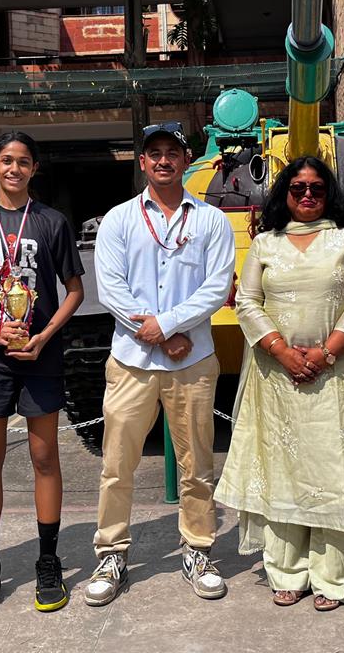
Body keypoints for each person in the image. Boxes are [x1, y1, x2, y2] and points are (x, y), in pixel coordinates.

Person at [214, 156, 344, 612]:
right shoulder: (265, 244)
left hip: (337, 376)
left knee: (336, 473)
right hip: (277, 380)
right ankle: (286, 572)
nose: (308, 195)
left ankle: (332, 577)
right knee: (282, 470)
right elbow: (247, 302)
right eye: (298, 188)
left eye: (317, 188)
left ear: (329, 192)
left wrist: (324, 353)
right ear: (285, 194)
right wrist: (281, 351)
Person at [85, 121, 235, 606]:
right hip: (132, 360)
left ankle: (198, 549)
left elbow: (217, 286)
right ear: (143, 162)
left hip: (192, 360)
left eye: (173, 151)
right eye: (155, 153)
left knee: (198, 465)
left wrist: (166, 326)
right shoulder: (118, 220)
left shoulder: (211, 220)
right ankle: (111, 552)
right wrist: (158, 333)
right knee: (117, 464)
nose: (164, 159)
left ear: (187, 160)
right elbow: (111, 288)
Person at [0, 131, 85, 616]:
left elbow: (74, 290)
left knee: (45, 457)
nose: (14, 168)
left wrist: (43, 336)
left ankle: (48, 560)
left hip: (38, 356)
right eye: (6, 160)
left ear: (34, 169)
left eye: (23, 161)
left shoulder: (51, 222)